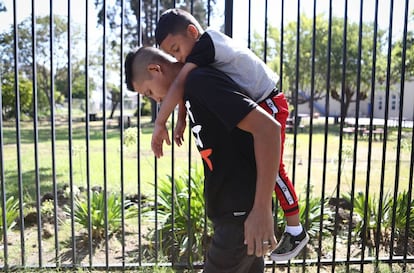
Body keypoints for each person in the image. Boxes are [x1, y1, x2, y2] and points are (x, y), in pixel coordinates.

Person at [152, 8, 308, 261]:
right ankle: (291, 226)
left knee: (274, 168)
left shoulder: (206, 43)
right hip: (264, 101)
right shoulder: (203, 51)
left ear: (192, 32)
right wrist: (181, 118)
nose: (179, 60)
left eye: (176, 49)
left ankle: (295, 229)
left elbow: (181, 82)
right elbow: (186, 85)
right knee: (267, 166)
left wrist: (161, 122)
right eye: (172, 55)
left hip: (268, 101)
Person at [125, 45, 279, 273]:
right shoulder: (191, 89)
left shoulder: (201, 82)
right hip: (235, 214)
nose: (155, 100)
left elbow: (268, 129)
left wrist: (262, 209)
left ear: (155, 69)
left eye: (148, 92)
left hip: (242, 218)